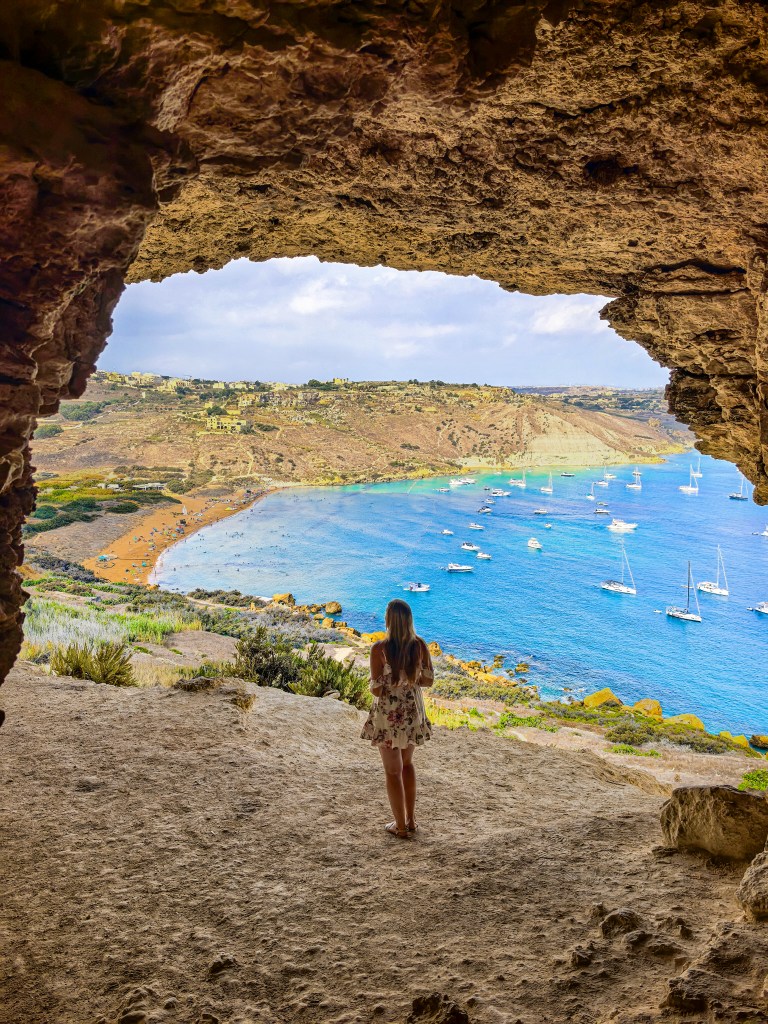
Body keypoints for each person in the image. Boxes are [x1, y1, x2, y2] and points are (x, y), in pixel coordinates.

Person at [360, 598, 434, 838]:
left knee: (392, 771)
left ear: (389, 621)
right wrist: (408, 680)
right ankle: (411, 821)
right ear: (409, 620)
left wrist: (389, 678)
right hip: (412, 713)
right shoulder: (420, 645)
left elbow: (377, 690)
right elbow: (428, 680)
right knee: (407, 765)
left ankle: (399, 827)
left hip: (389, 716)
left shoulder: (379, 649)